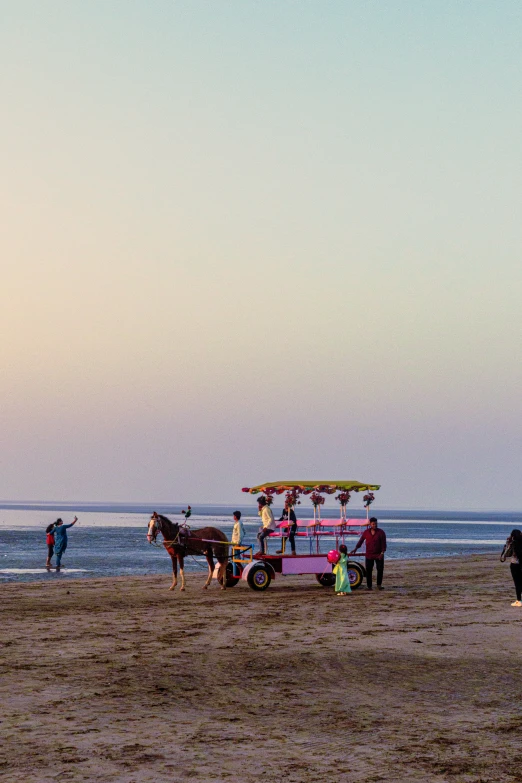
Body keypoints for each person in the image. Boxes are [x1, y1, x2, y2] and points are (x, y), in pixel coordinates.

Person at [350, 517, 387, 590]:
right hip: (369, 555)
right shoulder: (366, 532)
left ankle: (379, 585)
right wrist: (355, 549)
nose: (375, 525)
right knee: (368, 570)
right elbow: (361, 541)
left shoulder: (381, 532)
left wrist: (382, 553)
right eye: (373, 524)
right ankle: (369, 586)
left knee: (380, 570)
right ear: (370, 524)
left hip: (379, 554)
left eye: (376, 524)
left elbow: (384, 544)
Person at [501, 529, 522, 607]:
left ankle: (519, 600)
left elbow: (507, 554)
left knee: (517, 583)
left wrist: (508, 542)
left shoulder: (513, 543)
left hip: (515, 564)